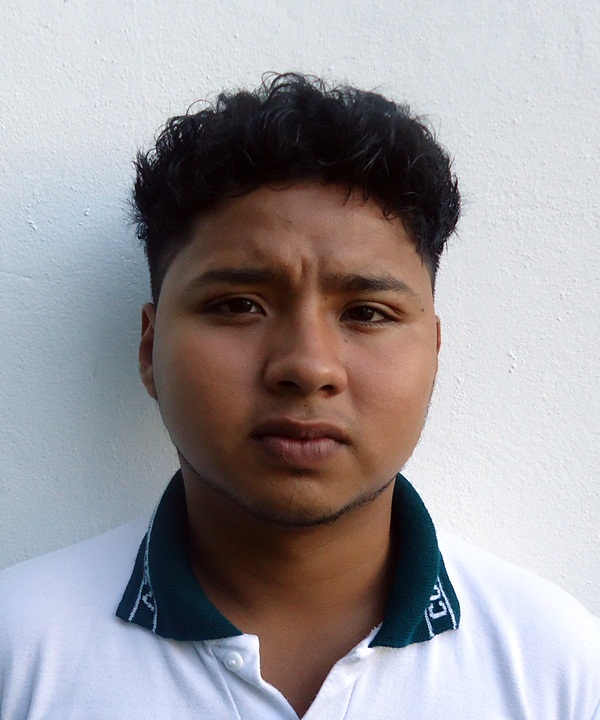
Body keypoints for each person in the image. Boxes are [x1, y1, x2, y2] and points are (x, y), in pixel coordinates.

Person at [0, 73, 598, 720]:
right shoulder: (19, 651)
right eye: (238, 305)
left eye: (367, 313)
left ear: (433, 350)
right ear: (150, 348)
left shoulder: (554, 669)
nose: (308, 367)